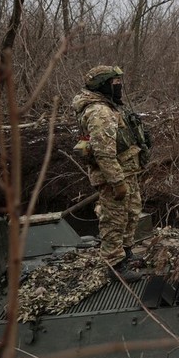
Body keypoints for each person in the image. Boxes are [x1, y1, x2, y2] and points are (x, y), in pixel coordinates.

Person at [72, 65, 149, 282]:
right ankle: (114, 265)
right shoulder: (100, 112)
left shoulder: (110, 107)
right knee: (114, 219)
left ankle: (125, 253)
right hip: (113, 176)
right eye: (115, 83)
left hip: (127, 171)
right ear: (103, 85)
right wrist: (116, 181)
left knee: (131, 212)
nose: (119, 86)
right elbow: (103, 152)